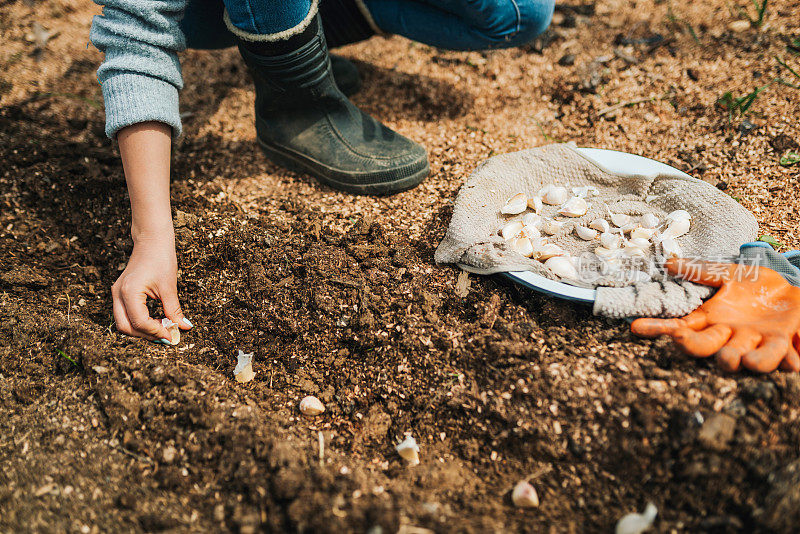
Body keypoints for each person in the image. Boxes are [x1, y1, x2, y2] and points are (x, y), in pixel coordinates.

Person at [90, 0, 556, 342]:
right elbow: (137, 36)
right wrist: (152, 239)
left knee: (520, 11)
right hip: (198, 10)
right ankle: (297, 103)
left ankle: (297, 41)